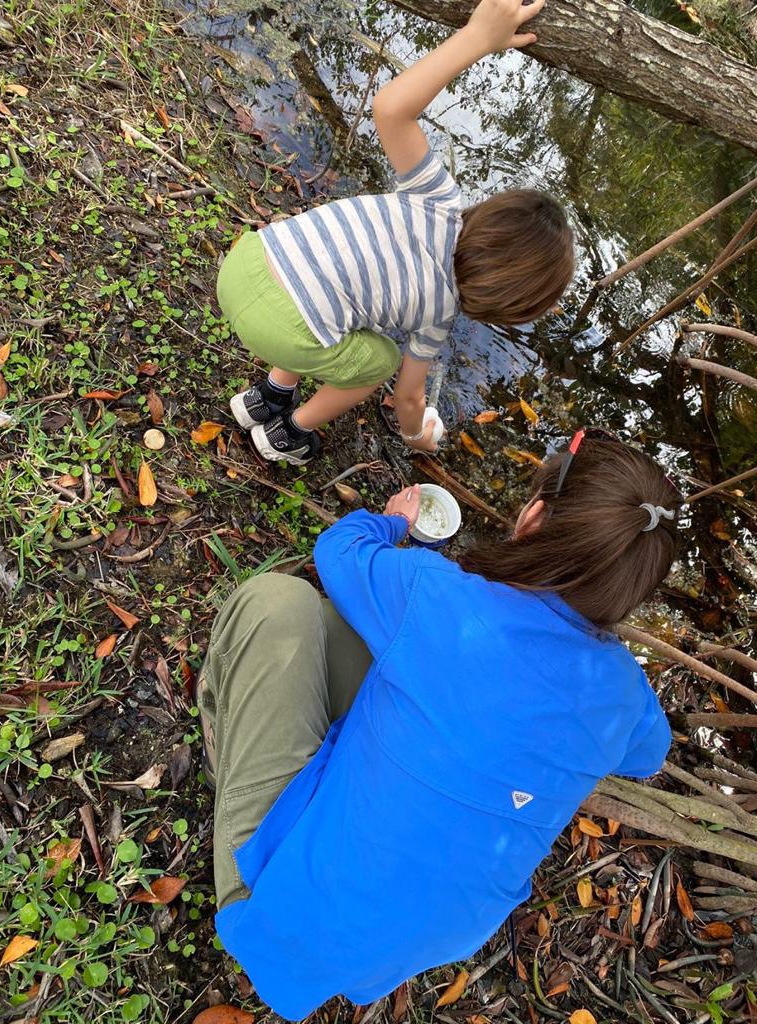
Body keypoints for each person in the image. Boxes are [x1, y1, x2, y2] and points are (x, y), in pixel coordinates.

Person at [196, 431, 680, 1018]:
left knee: (279, 606)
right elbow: (650, 754)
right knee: (360, 640)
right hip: (404, 951)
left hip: (280, 909)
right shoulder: (623, 694)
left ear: (533, 515)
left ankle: (232, 764)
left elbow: (338, 550)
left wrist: (393, 522)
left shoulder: (439, 594)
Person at [216, 0, 574, 465]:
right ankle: (287, 432)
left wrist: (477, 39)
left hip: (246, 261)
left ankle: (267, 396)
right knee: (378, 360)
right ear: (508, 303)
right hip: (278, 328)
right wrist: (416, 438)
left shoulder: (439, 198)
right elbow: (408, 396)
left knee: (337, 297)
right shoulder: (438, 316)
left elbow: (389, 108)